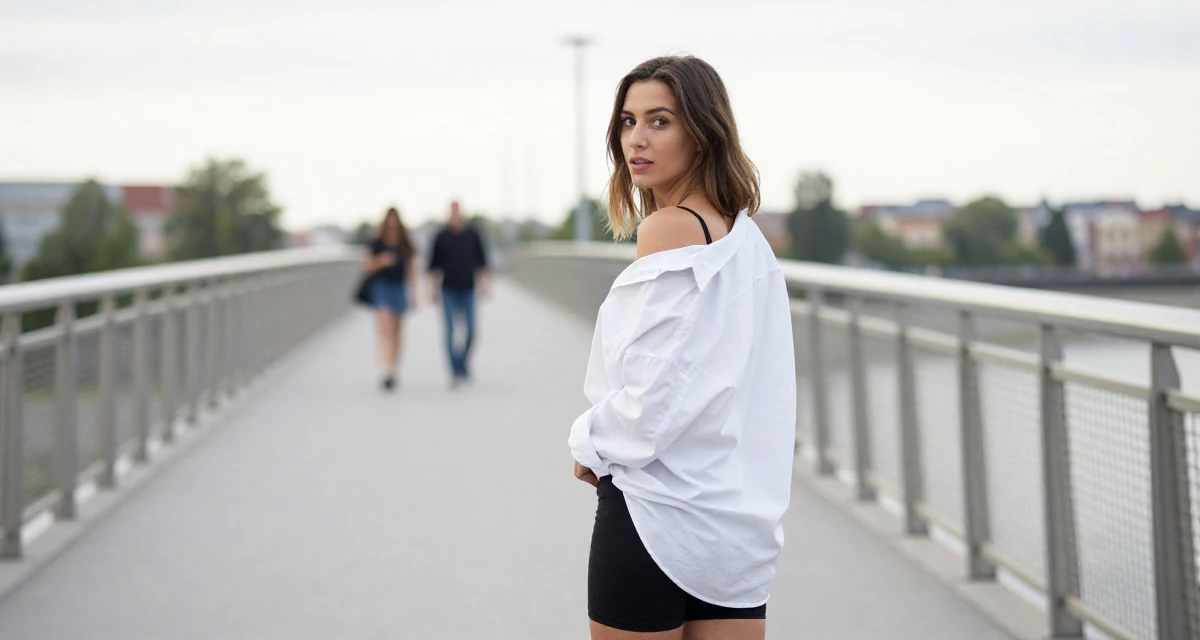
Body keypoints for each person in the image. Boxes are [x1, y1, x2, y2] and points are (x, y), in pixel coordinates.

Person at [568, 56, 797, 640]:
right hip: (733, 523)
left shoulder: (668, 228)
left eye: (660, 121)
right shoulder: (747, 237)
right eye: (627, 121)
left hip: (654, 515)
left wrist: (590, 443)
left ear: (703, 130)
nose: (635, 141)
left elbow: (651, 396)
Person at [427, 201, 491, 387]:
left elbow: (482, 262)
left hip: (468, 289)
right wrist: (432, 289)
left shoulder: (472, 235)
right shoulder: (441, 236)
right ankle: (455, 372)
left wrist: (486, 285)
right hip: (448, 289)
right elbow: (433, 266)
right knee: (450, 331)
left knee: (471, 331)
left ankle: (462, 362)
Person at [364, 207, 417, 392]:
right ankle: (385, 370)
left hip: (399, 288)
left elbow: (411, 268)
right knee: (385, 329)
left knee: (396, 332)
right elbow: (367, 265)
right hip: (382, 287)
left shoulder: (404, 242)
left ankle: (393, 369)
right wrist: (382, 261)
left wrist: (414, 293)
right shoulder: (377, 241)